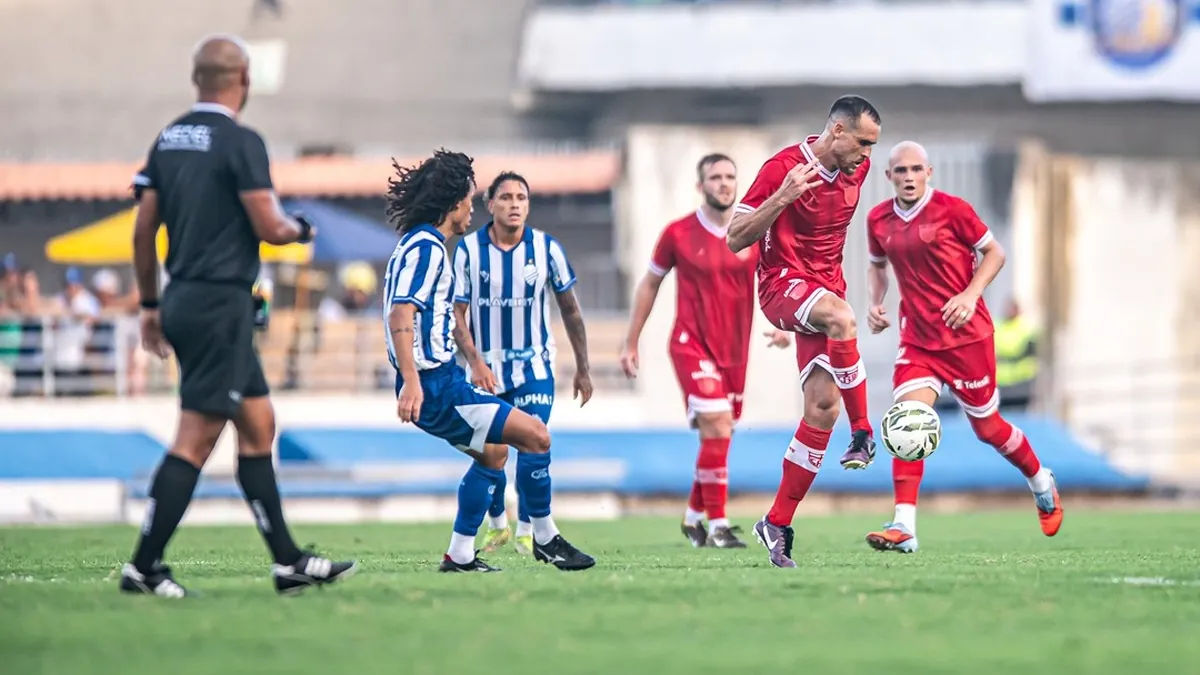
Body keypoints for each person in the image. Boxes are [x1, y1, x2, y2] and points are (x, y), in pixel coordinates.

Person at [121, 34, 355, 597]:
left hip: (183, 297)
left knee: (257, 425)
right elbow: (270, 226)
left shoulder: (168, 138)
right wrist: (301, 228)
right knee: (196, 438)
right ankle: (144, 567)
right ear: (243, 80)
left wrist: (150, 305)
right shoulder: (241, 141)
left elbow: (143, 230)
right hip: (220, 303)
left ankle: (288, 563)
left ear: (196, 79)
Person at [384, 150, 594, 572]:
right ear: (452, 203)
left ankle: (460, 554)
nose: (470, 210)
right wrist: (412, 380)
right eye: (468, 200)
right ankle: (546, 538)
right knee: (537, 436)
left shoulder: (418, 244)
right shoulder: (428, 249)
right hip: (437, 386)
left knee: (495, 454)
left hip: (442, 381)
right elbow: (400, 313)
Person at [862, 141, 1062, 553]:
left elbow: (995, 252)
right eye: (901, 171)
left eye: (916, 169)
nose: (909, 177)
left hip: (966, 339)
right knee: (909, 420)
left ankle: (1040, 480)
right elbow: (877, 266)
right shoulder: (878, 219)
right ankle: (904, 526)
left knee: (988, 429)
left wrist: (971, 295)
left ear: (929, 172)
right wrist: (876, 303)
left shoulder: (953, 210)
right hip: (918, 340)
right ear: (889, 176)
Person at [726, 95, 880, 568]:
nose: (867, 155)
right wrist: (783, 197)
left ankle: (776, 523)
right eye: (863, 142)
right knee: (843, 319)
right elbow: (735, 237)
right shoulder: (782, 169)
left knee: (822, 409)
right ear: (837, 131)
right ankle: (863, 431)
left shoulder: (857, 169)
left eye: (873, 146)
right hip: (782, 286)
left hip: (825, 292)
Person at [620, 154, 789, 549]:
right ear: (701, 186)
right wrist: (631, 341)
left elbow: (774, 280)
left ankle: (693, 517)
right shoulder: (678, 233)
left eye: (730, 176)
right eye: (715, 177)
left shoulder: (751, 233)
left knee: (719, 434)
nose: (724, 183)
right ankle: (718, 526)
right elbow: (650, 283)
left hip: (735, 350)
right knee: (717, 423)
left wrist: (782, 324)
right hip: (690, 343)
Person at [451, 171, 594, 556]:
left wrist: (583, 367)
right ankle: (498, 521)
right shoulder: (469, 250)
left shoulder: (547, 249)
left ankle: (530, 531)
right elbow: (457, 313)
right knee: (492, 454)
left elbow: (570, 310)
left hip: (534, 368)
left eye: (521, 198)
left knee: (534, 441)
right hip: (486, 371)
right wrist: (475, 363)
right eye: (506, 197)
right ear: (490, 204)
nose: (514, 204)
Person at [995, 299, 1038, 412]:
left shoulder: (1026, 327)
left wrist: (1006, 356)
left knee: (1020, 413)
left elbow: (1029, 351)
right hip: (1001, 380)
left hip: (1021, 379)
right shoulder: (999, 325)